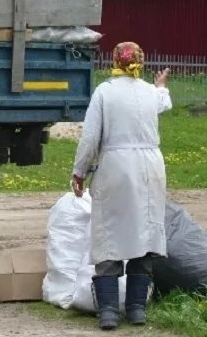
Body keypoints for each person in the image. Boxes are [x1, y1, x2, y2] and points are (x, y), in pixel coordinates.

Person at [71, 42, 171, 330]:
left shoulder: (105, 91)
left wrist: (79, 172)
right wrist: (161, 85)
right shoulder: (150, 93)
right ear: (141, 61)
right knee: (145, 233)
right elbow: (162, 102)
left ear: (114, 60)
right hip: (151, 166)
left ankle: (109, 313)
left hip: (116, 165)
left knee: (109, 234)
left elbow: (90, 137)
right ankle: (137, 310)